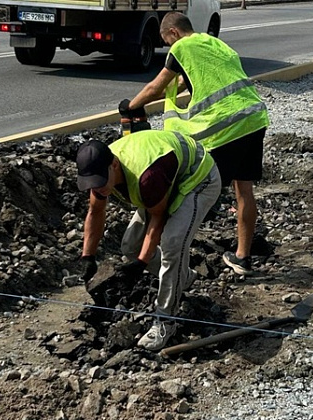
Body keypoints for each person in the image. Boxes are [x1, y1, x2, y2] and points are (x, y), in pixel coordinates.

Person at [119, 11, 270, 276]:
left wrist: (130, 106)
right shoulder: (213, 43)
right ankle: (242, 257)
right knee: (243, 189)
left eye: (167, 41)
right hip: (254, 117)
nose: (169, 48)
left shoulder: (182, 47)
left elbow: (157, 86)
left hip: (227, 128)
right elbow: (192, 78)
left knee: (195, 189)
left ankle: (173, 255)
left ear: (174, 33)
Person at [76, 131, 221, 351]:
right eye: (92, 184)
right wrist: (88, 256)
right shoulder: (101, 175)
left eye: (101, 181)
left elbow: (158, 217)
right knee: (130, 246)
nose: (99, 188)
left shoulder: (147, 178)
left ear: (114, 164)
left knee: (173, 243)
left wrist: (142, 263)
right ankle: (183, 278)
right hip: (166, 179)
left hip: (197, 178)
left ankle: (165, 321)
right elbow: (95, 212)